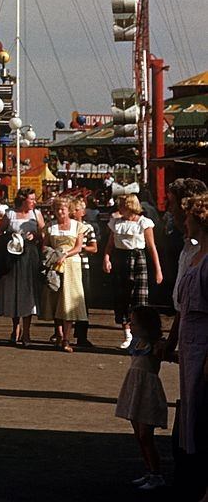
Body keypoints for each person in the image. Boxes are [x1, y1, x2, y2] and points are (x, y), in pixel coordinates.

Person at [174, 192, 208, 499]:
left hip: (202, 343)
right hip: (189, 341)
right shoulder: (195, 254)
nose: (183, 221)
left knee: (202, 412)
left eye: (188, 217)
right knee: (191, 411)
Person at [115, 305, 168, 491]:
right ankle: (149, 470)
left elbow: (172, 356)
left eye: (134, 323)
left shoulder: (156, 345)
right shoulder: (137, 342)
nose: (131, 325)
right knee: (139, 434)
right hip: (135, 387)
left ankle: (156, 474)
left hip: (147, 389)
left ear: (146, 325)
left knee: (146, 435)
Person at [103, 193, 163, 349]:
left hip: (138, 259)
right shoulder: (116, 223)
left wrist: (158, 270)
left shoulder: (144, 223)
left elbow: (151, 247)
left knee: (139, 299)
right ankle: (127, 335)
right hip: (121, 259)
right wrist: (106, 258)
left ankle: (141, 335)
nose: (119, 208)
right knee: (122, 297)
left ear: (129, 206)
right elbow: (110, 244)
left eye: (122, 205)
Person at [0, 186, 44, 347]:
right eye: (31, 199)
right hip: (12, 254)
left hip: (29, 255)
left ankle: (27, 332)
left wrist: (35, 235)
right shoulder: (10, 214)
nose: (34, 202)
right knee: (13, 290)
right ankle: (15, 327)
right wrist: (10, 236)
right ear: (23, 200)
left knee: (27, 291)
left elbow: (44, 234)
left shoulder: (36, 214)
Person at [40, 195, 86, 352]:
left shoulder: (77, 226)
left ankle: (67, 338)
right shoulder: (50, 226)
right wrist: (53, 254)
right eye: (57, 209)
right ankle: (59, 335)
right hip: (54, 265)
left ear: (69, 210)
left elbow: (79, 247)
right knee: (55, 298)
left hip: (71, 265)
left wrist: (65, 254)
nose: (60, 212)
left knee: (69, 300)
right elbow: (44, 246)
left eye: (63, 209)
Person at [70, 195, 98, 349]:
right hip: (68, 266)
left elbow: (94, 248)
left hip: (82, 265)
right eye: (79, 208)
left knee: (83, 299)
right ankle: (61, 333)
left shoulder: (88, 227)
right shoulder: (66, 226)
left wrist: (81, 249)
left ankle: (82, 334)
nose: (83, 211)